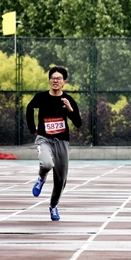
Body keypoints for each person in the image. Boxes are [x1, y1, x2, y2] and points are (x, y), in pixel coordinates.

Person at [26, 66, 82, 221]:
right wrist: (33, 128)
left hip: (62, 142)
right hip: (44, 139)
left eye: (58, 79)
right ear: (49, 80)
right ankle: (41, 178)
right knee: (46, 164)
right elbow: (29, 108)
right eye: (53, 78)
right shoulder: (41, 97)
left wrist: (70, 110)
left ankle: (53, 206)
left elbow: (78, 123)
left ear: (64, 82)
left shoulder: (68, 100)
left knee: (60, 180)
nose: (55, 81)